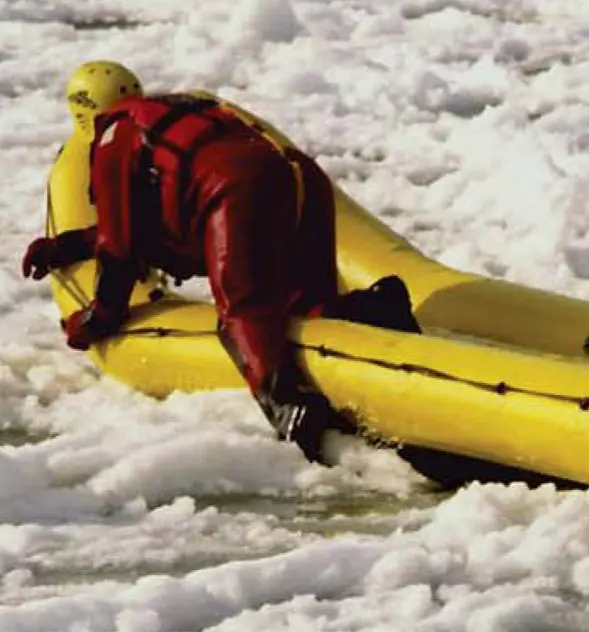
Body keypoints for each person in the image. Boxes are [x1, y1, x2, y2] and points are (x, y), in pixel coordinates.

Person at [21, 60, 420, 462]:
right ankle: (376, 306)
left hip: (234, 189)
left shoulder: (115, 138)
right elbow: (141, 226)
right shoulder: (170, 116)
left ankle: (291, 409)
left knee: (244, 314)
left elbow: (118, 247)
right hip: (294, 176)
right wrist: (65, 247)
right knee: (304, 308)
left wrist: (97, 320)